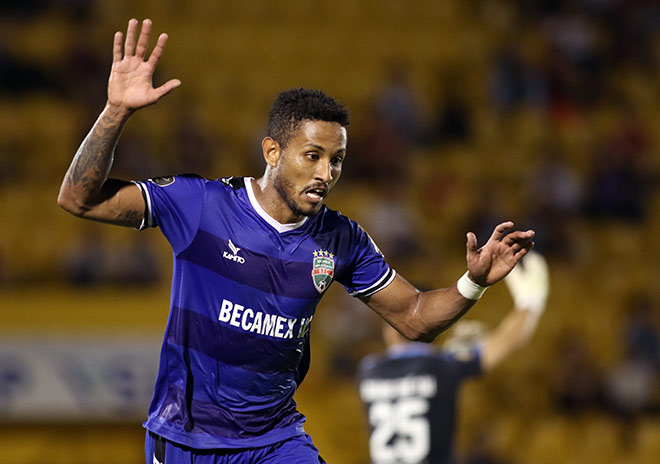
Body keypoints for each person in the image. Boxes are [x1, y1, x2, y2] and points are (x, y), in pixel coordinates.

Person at [57, 18, 535, 464]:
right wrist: (116, 111)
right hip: (187, 438)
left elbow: (413, 318)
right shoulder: (200, 204)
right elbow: (78, 199)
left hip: (275, 440)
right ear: (272, 151)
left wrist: (473, 282)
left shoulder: (341, 238)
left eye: (337, 160)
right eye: (313, 155)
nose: (327, 173)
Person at [357, 251, 549, 464]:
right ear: (437, 325)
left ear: (388, 326)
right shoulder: (444, 365)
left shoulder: (368, 370)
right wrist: (531, 303)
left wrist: (450, 351)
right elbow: (510, 340)